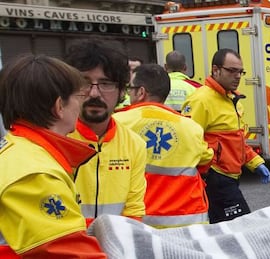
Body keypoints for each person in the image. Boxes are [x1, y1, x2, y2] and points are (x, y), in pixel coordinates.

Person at [0, 54, 106, 257]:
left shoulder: (20, 152)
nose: (80, 105)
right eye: (78, 97)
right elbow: (65, 251)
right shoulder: (35, 174)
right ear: (59, 107)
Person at [113, 64, 213, 228]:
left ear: (141, 92)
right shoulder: (191, 128)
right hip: (187, 223)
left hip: (136, 223)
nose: (129, 93)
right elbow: (205, 161)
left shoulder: (118, 123)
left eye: (131, 88)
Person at [181, 48, 270, 224]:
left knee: (223, 228)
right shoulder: (201, 100)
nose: (238, 76)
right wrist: (210, 164)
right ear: (216, 70)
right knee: (242, 226)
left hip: (230, 176)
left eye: (240, 72)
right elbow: (188, 141)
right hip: (216, 179)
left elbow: (237, 142)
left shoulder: (232, 99)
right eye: (232, 71)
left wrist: (255, 162)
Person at [65, 38, 147, 225]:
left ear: (122, 91)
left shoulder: (134, 145)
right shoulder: (56, 140)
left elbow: (134, 211)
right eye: (85, 82)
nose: (94, 93)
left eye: (106, 83)